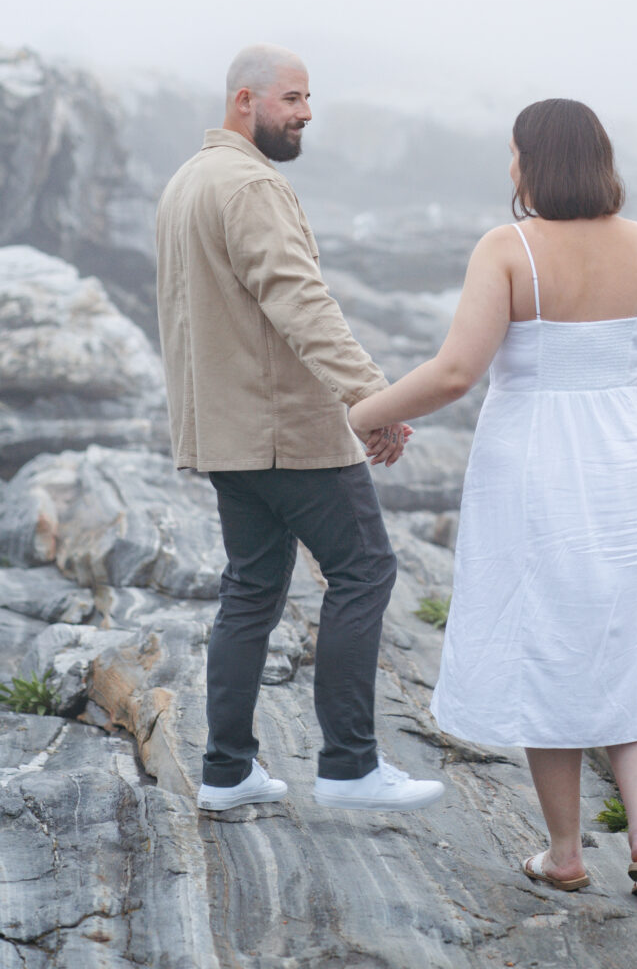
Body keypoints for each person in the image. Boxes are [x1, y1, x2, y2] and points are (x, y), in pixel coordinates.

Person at [349, 98, 637, 899]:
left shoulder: (509, 248)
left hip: (534, 463)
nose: (508, 168)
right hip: (630, 464)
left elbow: (456, 372)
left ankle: (565, 851)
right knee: (626, 643)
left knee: (545, 643)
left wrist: (364, 415)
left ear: (531, 164)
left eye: (512, 154)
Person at [155, 43, 444, 815]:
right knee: (364, 572)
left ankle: (227, 771)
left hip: (223, 434)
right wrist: (371, 400)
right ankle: (350, 765)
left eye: (308, 99)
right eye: (291, 99)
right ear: (244, 101)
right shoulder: (250, 183)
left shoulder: (187, 180)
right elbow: (299, 301)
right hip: (284, 431)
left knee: (250, 591)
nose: (306, 113)